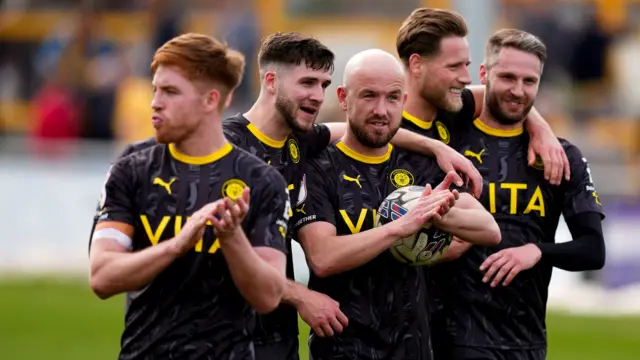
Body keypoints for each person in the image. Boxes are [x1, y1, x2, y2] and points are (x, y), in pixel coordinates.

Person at [116, 31, 484, 359]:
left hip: (278, 334)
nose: (316, 95)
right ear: (271, 81)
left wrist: (436, 148)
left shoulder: (299, 141)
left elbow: (358, 126)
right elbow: (210, 251)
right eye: (307, 82)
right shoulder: (226, 145)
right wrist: (300, 295)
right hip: (218, 330)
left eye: (323, 84)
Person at [88, 33, 291, 360]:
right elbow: (102, 276)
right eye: (156, 89)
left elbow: (268, 296)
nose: (155, 102)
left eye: (170, 91)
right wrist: (176, 245)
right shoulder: (131, 170)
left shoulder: (262, 181)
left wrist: (231, 236)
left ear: (210, 100)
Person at [292, 49, 501, 360]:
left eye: (392, 98)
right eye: (369, 96)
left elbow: (489, 230)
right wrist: (404, 225)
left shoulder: (420, 164)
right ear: (344, 98)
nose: (381, 109)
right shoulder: (319, 167)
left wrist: (437, 218)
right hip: (342, 349)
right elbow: (323, 257)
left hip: (413, 347)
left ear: (403, 101)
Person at [430, 29, 606, 360]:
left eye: (530, 81)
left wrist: (536, 251)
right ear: (483, 75)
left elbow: (593, 251)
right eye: (507, 77)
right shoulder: (444, 137)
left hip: (523, 342)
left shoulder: (559, 157)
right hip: (444, 338)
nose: (518, 90)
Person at [396, 7, 570, 186]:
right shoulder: (381, 124)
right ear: (417, 64)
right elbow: (380, 130)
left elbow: (506, 96)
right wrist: (435, 147)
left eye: (466, 65)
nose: (467, 78)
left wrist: (541, 130)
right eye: (454, 66)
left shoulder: (452, 108)